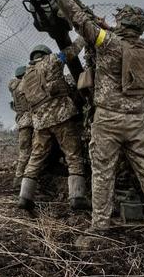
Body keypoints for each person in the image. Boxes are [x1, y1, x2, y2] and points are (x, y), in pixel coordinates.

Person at [51, 0, 144, 232]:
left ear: (123, 25)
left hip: (108, 119)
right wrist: (109, 27)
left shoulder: (108, 43)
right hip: (136, 119)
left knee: (103, 172)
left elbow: (79, 21)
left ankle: (100, 225)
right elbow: (114, 35)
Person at [17, 44, 90, 211]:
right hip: (61, 117)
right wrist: (85, 35)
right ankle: (77, 197)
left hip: (40, 123)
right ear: (45, 54)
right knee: (73, 155)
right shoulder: (53, 60)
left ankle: (24, 197)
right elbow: (72, 51)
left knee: (35, 158)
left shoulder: (26, 76)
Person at [8, 65, 33, 189]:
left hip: (21, 122)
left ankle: (18, 178)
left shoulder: (13, 87)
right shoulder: (25, 85)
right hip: (31, 121)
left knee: (24, 152)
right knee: (31, 152)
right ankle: (26, 180)